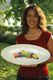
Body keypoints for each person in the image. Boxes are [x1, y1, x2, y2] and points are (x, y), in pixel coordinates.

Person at [15, 4, 53, 80]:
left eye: (35, 16)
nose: (32, 19)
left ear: (39, 18)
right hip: (22, 77)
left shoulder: (47, 36)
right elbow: (17, 56)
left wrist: (39, 62)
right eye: (29, 16)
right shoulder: (19, 38)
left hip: (41, 77)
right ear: (25, 18)